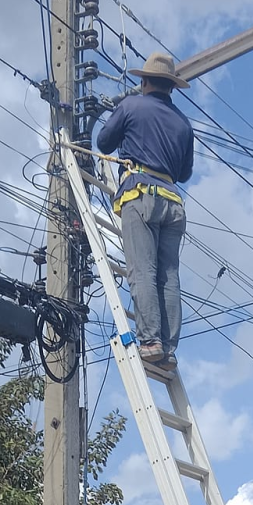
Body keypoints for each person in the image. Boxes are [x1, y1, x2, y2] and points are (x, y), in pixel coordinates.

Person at [95, 51, 194, 369]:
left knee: (143, 272)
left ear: (144, 80)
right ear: (172, 87)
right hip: (173, 202)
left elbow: (104, 143)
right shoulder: (183, 123)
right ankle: (168, 348)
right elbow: (185, 173)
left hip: (140, 195)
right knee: (169, 276)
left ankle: (150, 341)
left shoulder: (131, 106)